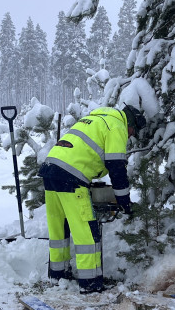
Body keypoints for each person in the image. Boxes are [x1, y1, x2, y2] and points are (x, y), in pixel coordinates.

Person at [38, 105, 146, 294]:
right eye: (132, 133)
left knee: (59, 228)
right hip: (71, 178)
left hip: (50, 169)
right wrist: (124, 202)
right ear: (131, 125)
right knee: (87, 233)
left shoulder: (96, 119)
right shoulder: (117, 126)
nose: (130, 137)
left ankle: (58, 275)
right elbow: (117, 167)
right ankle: (91, 284)